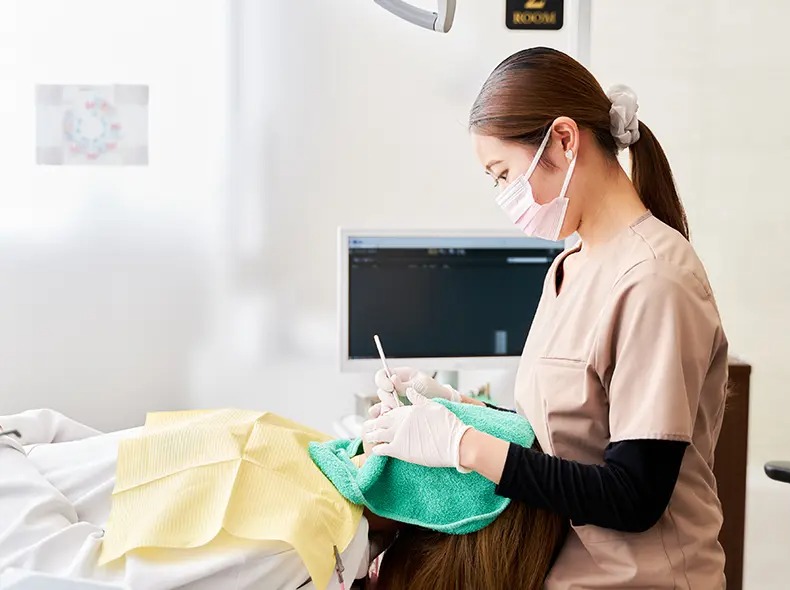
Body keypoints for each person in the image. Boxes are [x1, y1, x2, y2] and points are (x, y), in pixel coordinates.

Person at [364, 46, 729, 589]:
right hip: (564, 571)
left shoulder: (655, 280)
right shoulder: (569, 266)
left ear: (563, 139)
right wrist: (457, 408)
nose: (503, 195)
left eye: (503, 174)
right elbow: (559, 436)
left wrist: (463, 446)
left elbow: (634, 496)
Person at [0, 408, 565, 590]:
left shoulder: (298, 545)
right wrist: (26, 436)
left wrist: (11, 451)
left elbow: (39, 570)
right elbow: (123, 456)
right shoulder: (314, 457)